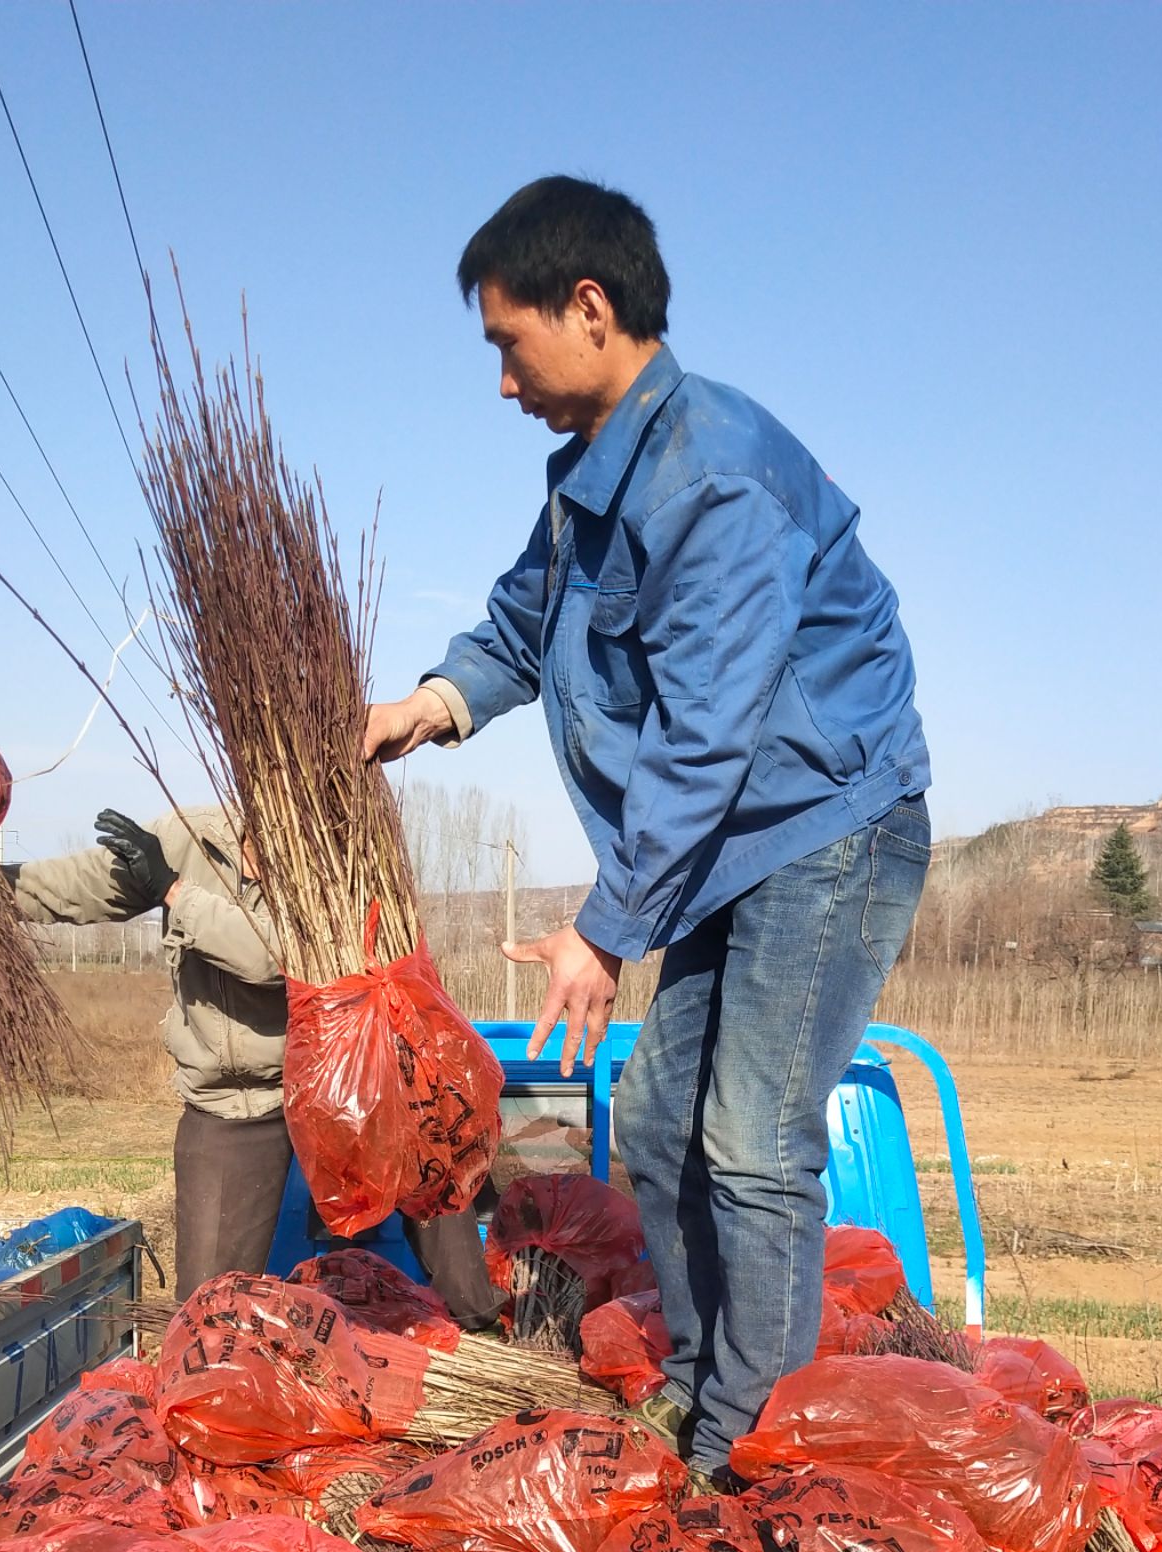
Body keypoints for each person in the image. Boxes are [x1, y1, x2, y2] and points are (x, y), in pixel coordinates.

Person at [364, 176, 932, 1477]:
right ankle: (698, 1378)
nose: (502, 383)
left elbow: (706, 734)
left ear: (589, 305)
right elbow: (518, 626)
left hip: (824, 831)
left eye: (510, 344)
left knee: (753, 1138)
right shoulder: (588, 485)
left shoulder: (712, 478)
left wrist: (602, 931)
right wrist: (428, 707)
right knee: (665, 1112)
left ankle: (760, 1451)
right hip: (733, 849)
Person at [0, 808, 501, 1316]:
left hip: (348, 1083)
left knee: (437, 1186)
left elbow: (276, 958)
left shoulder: (343, 857)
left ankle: (482, 1334)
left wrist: (171, 890)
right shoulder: (188, 836)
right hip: (234, 1099)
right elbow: (77, 888)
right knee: (207, 1308)